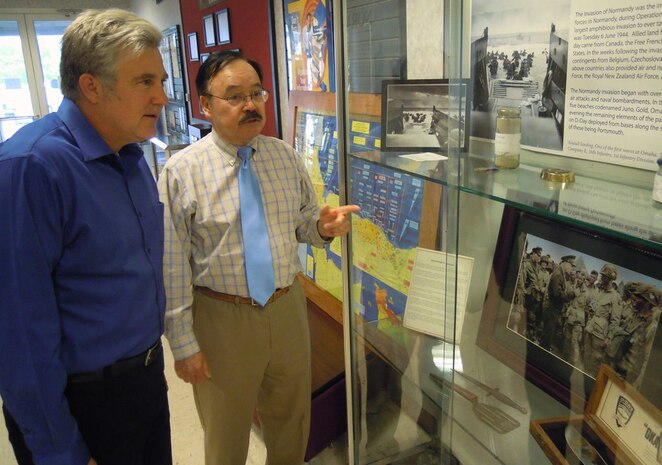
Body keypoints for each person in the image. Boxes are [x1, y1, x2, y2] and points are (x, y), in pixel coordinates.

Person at [158, 50, 359, 465]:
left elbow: (304, 224)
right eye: (234, 96)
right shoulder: (182, 172)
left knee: (291, 427)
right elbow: (171, 265)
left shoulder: (284, 156)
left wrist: (322, 227)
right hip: (221, 318)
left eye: (257, 93)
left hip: (287, 308)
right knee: (226, 437)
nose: (250, 105)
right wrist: (183, 344)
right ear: (206, 106)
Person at [0, 9, 171, 465]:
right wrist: (60, 451)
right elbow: (18, 333)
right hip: (85, 403)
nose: (162, 96)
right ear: (92, 86)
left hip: (147, 382)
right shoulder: (31, 166)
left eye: (162, 81)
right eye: (145, 82)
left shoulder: (132, 156)